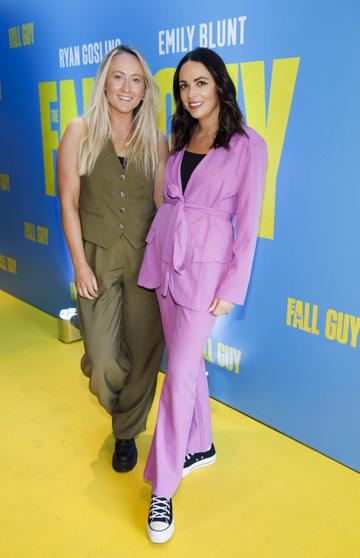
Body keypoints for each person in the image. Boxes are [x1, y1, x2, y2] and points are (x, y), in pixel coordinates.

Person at [137, 47, 267, 543]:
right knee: (186, 368)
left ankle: (162, 489)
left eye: (201, 84)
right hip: (166, 261)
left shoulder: (248, 145)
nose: (191, 94)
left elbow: (248, 227)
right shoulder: (181, 136)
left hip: (207, 272)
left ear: (220, 85)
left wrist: (232, 286)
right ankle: (201, 444)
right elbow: (170, 199)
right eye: (184, 86)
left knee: (178, 378)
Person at [57, 45, 168, 473]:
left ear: (144, 92)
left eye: (136, 80)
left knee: (143, 353)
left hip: (146, 260)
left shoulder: (156, 142)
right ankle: (119, 407)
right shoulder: (79, 132)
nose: (126, 87)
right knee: (103, 360)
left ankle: (127, 433)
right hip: (97, 257)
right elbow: (68, 202)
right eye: (118, 76)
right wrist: (79, 264)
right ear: (105, 81)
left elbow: (162, 204)